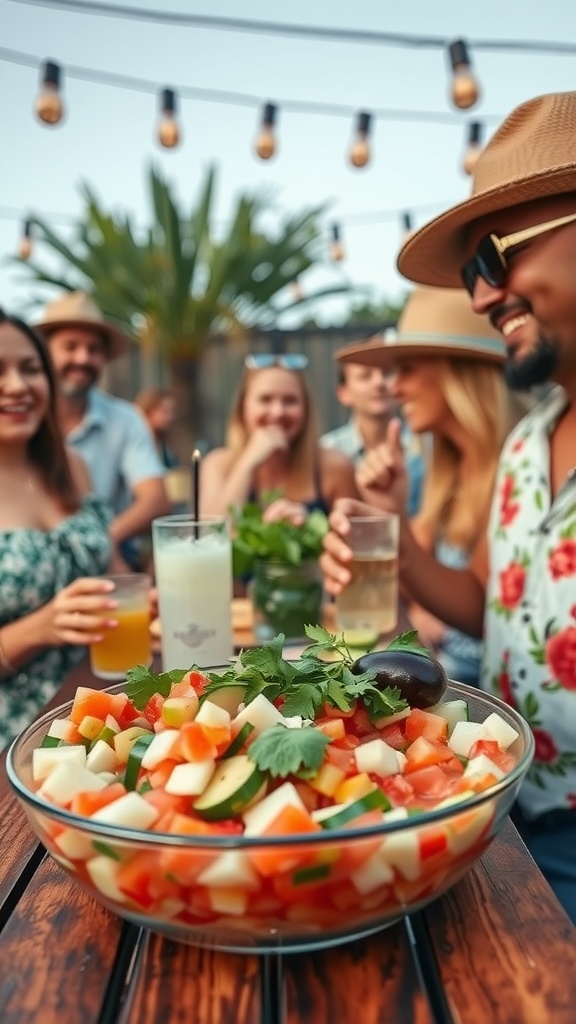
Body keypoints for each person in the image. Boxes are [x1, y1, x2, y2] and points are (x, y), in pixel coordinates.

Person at [321, 90, 576, 923]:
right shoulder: (529, 438)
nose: (480, 296)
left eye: (493, 261)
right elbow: (490, 607)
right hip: (503, 814)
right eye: (472, 275)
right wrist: (391, 540)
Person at [333, 286, 524, 687]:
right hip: (457, 683)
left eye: (406, 369)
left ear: (456, 369)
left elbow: (484, 615)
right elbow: (418, 579)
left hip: (481, 691)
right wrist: (386, 517)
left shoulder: (521, 459)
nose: (393, 387)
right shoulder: (448, 470)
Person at [0, 310, 123, 751]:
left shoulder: (72, 466)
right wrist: (42, 627)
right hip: (16, 738)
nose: (17, 385)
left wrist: (140, 595)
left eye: (30, 369)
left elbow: (113, 571)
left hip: (95, 703)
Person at [34, 292, 170, 569]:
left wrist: (98, 540)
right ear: (44, 353)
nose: (83, 358)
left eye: (93, 349)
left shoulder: (126, 419)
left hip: (110, 554)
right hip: (37, 561)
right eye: (70, 346)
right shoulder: (21, 421)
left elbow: (155, 498)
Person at [200, 353, 360, 523]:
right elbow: (210, 536)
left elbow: (357, 538)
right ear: (242, 408)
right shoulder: (217, 464)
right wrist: (247, 462)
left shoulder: (335, 465)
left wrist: (307, 528)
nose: (278, 412)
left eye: (290, 401)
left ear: (306, 409)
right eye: (265, 399)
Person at [320, 353, 424, 516]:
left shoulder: (427, 445)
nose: (379, 382)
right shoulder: (327, 450)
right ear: (344, 393)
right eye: (365, 376)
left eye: (387, 373)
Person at [134, 387, 180, 469]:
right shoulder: (135, 442)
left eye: (173, 411)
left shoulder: (165, 444)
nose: (171, 417)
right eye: (165, 411)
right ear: (148, 410)